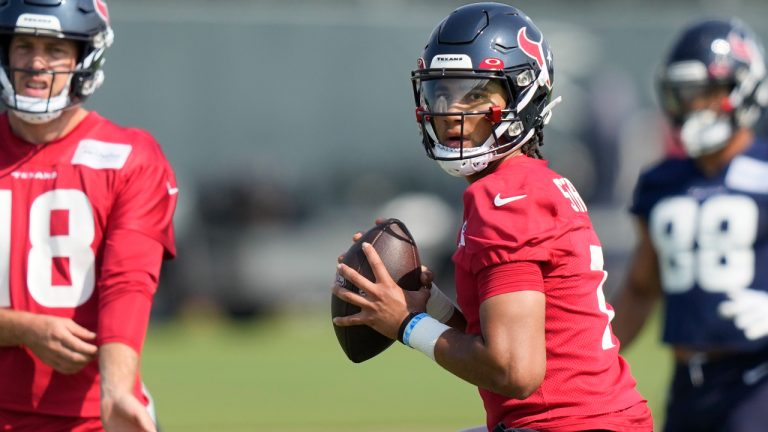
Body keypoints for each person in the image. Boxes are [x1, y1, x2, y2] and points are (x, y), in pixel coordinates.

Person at [332, 3, 653, 431]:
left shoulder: (504, 198)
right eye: (441, 92)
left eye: (476, 94)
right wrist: (434, 308)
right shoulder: (532, 183)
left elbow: (515, 372)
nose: (451, 112)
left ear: (523, 95)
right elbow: (514, 337)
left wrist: (408, 324)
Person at [0, 1, 176, 431]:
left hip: (86, 419)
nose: (37, 64)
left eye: (55, 48)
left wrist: (116, 392)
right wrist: (21, 328)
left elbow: (128, 282)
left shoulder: (130, 157)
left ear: (83, 56)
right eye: (24, 46)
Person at [611, 18, 768, 432]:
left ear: (744, 88)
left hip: (758, 376)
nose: (695, 106)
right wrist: (596, 356)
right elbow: (643, 287)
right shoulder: (663, 181)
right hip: (688, 382)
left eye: (708, 93)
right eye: (686, 94)